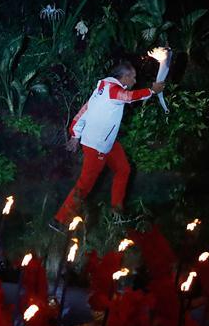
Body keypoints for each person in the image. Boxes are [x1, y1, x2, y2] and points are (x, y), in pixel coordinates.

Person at [52, 60, 164, 229]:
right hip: (96, 145)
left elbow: (85, 110)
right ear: (124, 77)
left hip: (107, 142)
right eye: (133, 77)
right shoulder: (112, 90)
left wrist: (75, 134)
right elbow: (129, 97)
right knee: (85, 185)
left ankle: (117, 211)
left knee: (123, 169)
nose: (134, 81)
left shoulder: (102, 89)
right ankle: (59, 220)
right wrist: (151, 91)